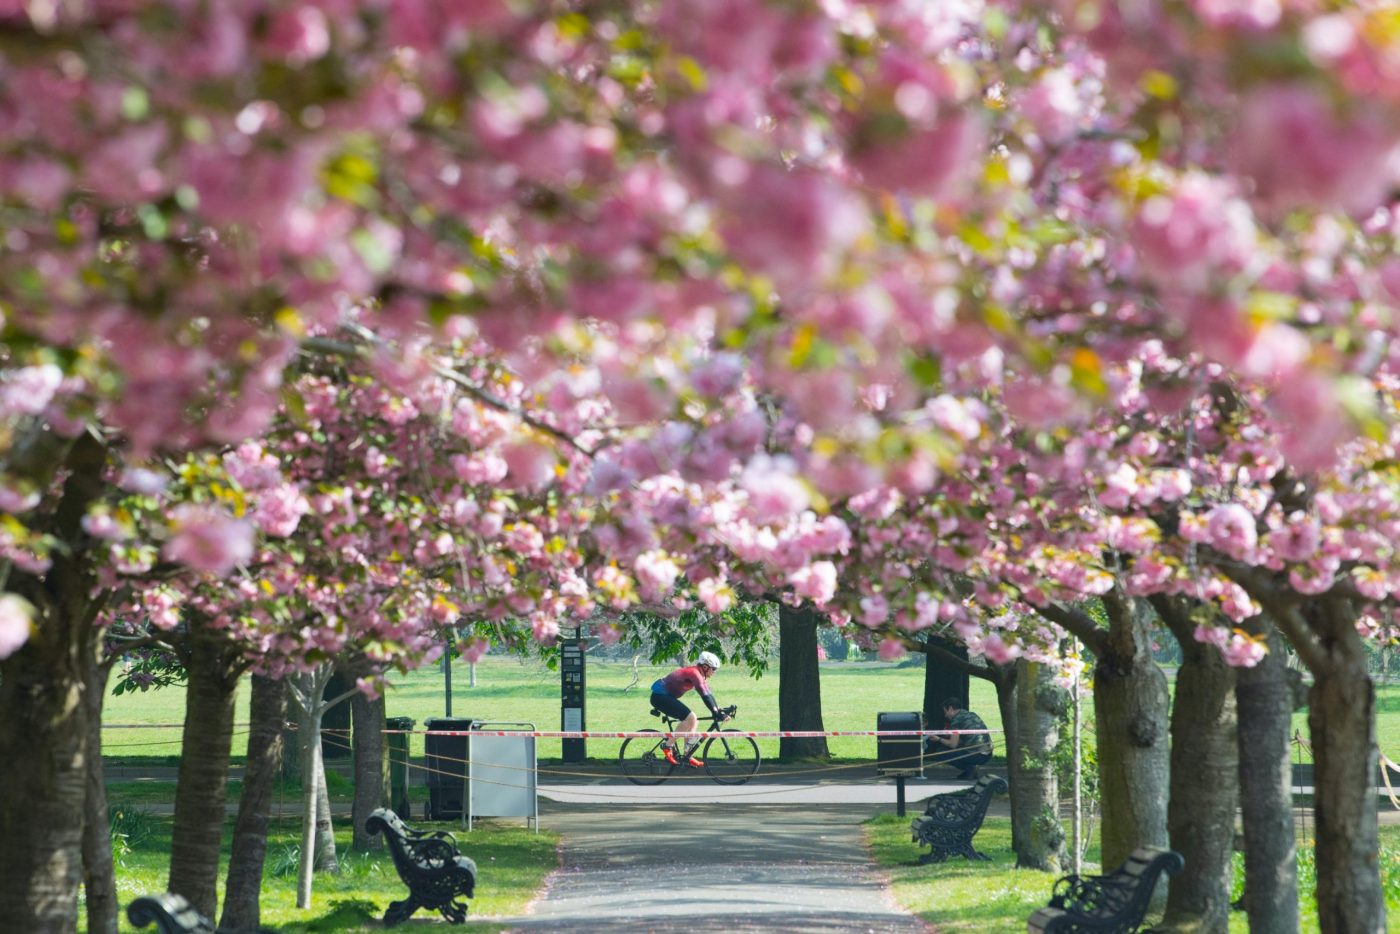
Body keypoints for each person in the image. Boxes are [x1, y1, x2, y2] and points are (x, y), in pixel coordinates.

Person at [650, 651, 728, 767]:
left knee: (695, 721)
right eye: (713, 669)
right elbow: (704, 695)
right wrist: (715, 713)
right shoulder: (694, 673)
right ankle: (667, 745)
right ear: (705, 667)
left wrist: (717, 710)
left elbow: (709, 694)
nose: (714, 672)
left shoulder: (700, 675)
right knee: (691, 717)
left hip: (666, 696)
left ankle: (687, 754)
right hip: (660, 696)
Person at [926, 696, 992, 780]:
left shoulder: (956, 720)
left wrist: (938, 739)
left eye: (945, 712)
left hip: (977, 755)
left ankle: (970, 770)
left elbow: (953, 744)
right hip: (987, 753)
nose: (945, 716)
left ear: (950, 708)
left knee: (940, 753)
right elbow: (964, 740)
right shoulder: (971, 714)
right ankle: (970, 770)